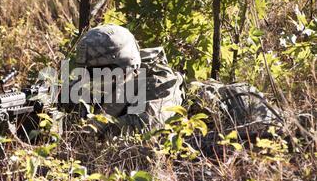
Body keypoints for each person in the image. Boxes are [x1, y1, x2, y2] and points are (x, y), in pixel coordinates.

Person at [68, 24, 282, 137]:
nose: (95, 79)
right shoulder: (114, 82)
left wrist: (90, 127)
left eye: (100, 71)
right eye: (90, 72)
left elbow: (146, 129)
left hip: (250, 122)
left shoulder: (160, 85)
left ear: (125, 66)